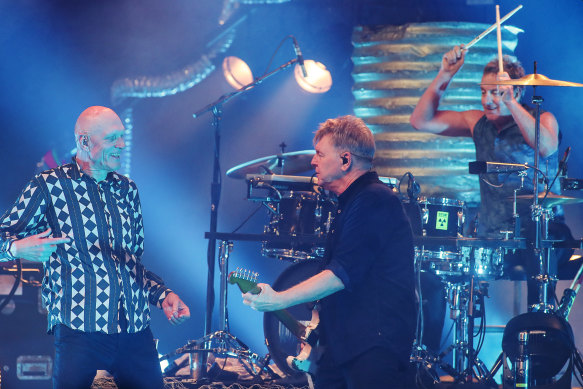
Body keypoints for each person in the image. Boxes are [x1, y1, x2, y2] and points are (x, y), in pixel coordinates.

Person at [0, 106, 190, 389]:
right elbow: (5, 235)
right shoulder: (49, 186)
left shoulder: (128, 189)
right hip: (79, 331)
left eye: (122, 137)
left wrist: (163, 294)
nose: (122, 145)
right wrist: (16, 248)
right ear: (84, 141)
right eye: (113, 138)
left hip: (135, 330)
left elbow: (131, 264)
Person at [241, 115, 416, 388]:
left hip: (373, 347)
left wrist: (278, 300)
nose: (313, 161)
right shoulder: (352, 202)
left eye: (320, 154)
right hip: (348, 345)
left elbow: (340, 274)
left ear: (345, 160)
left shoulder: (374, 200)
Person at [409, 45, 572, 308]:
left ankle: (539, 320)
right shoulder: (477, 122)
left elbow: (546, 146)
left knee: (538, 238)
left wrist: (510, 103)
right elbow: (421, 121)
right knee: (437, 268)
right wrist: (444, 74)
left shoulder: (543, 119)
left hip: (544, 233)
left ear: (516, 91)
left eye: (496, 92)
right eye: (484, 92)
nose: (487, 100)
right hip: (494, 234)